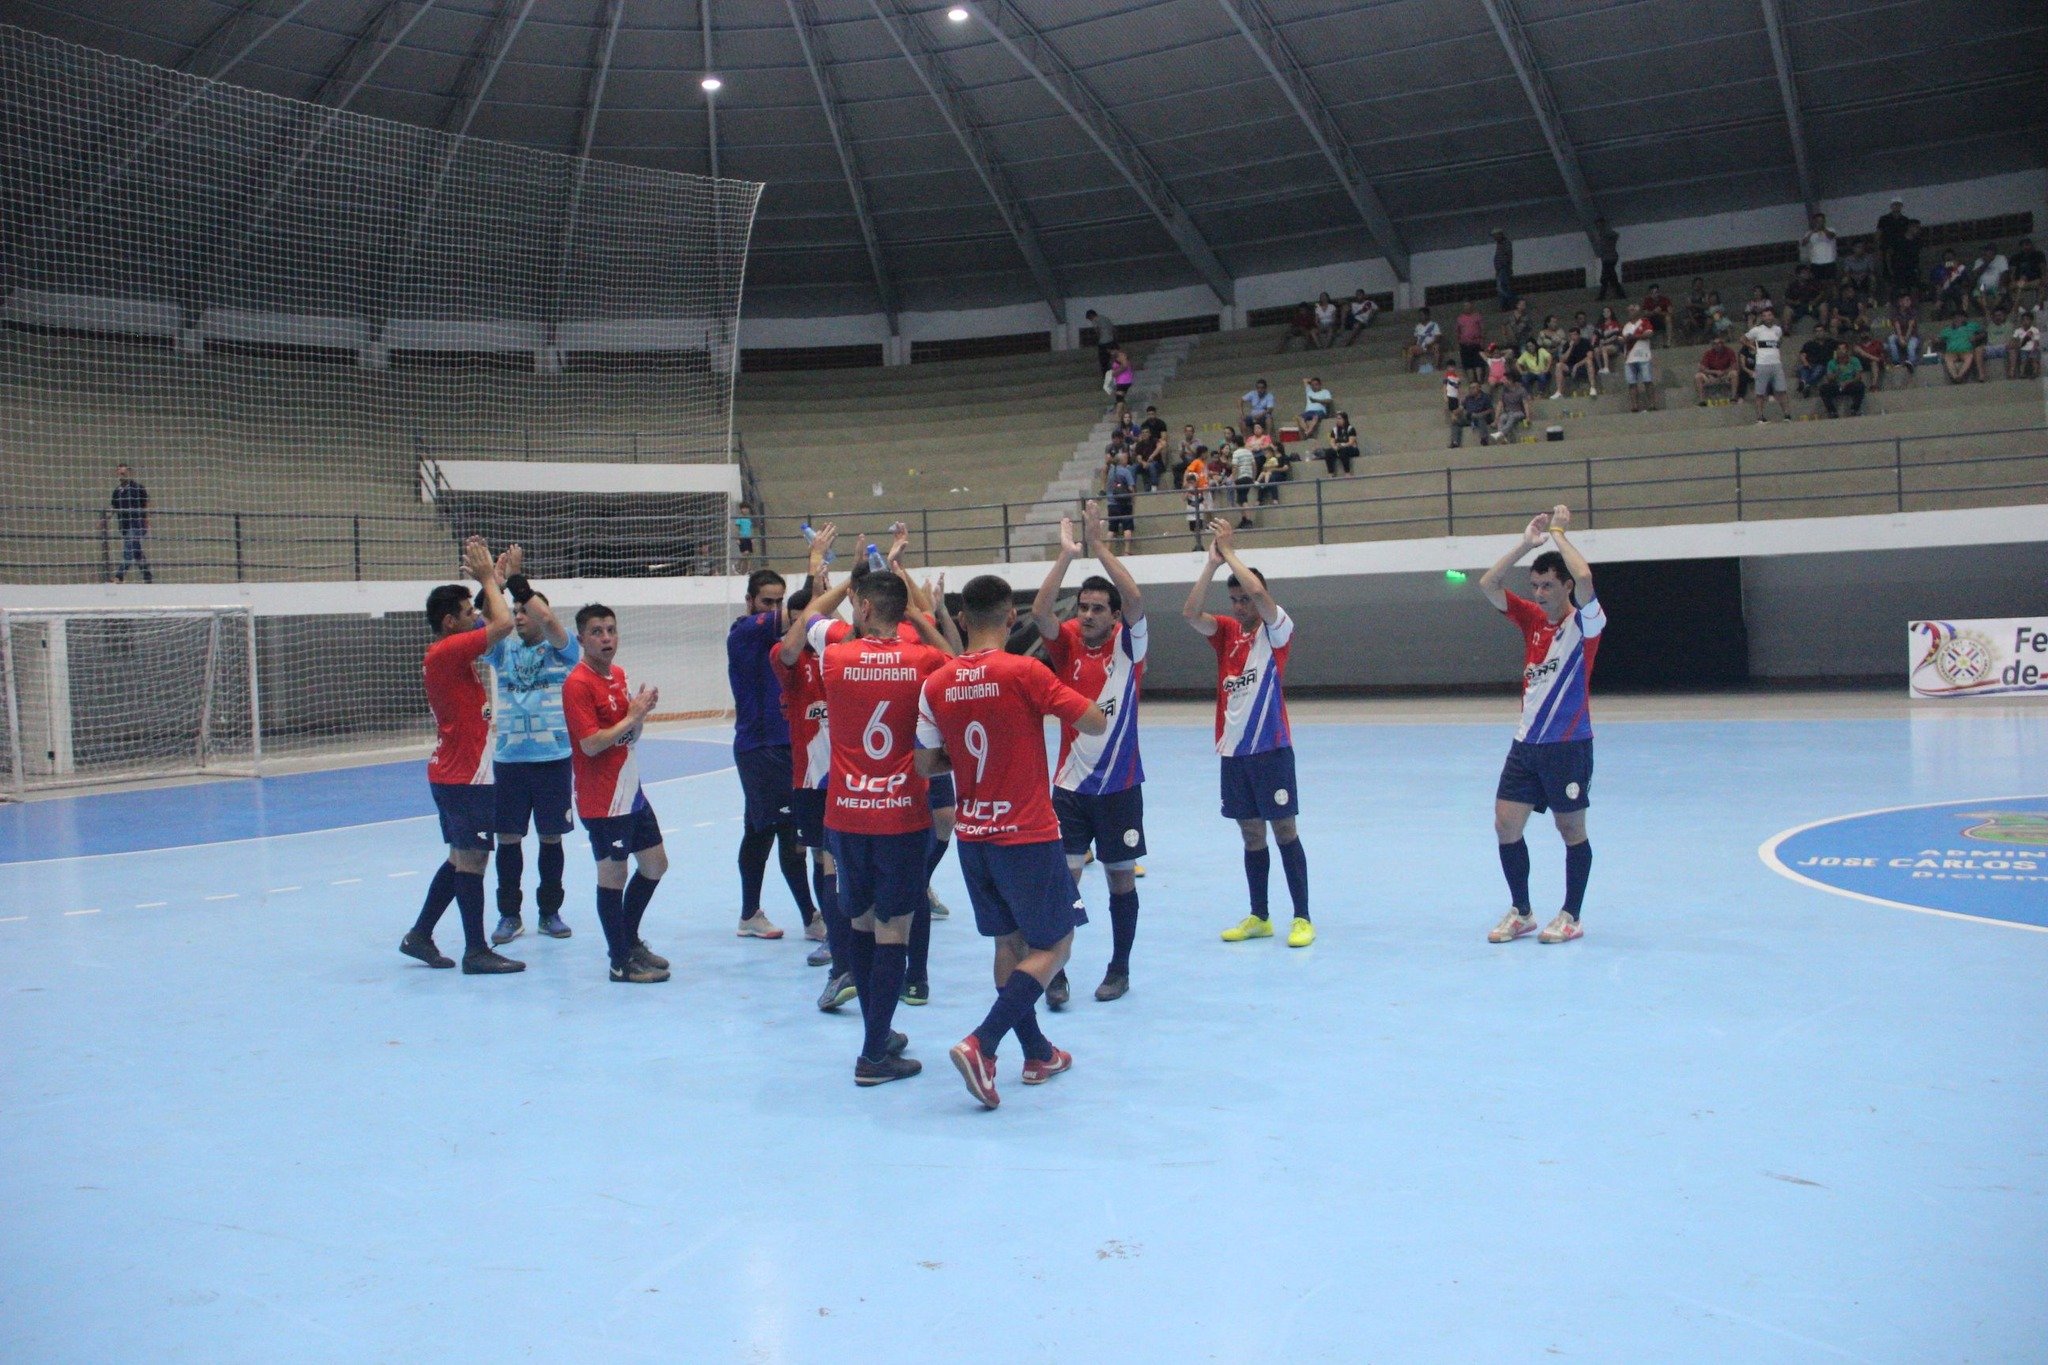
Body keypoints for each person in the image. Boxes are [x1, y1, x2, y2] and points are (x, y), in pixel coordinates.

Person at [917, 574, 1106, 1110]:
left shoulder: (938, 682)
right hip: (1026, 833)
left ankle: (1038, 1052)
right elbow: (1092, 723)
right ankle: (984, 1042)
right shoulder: (1025, 671)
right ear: (1010, 619)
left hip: (973, 836)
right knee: (1056, 944)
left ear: (959, 620)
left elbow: (925, 764)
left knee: (1009, 945)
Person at [801, 567, 953, 1085]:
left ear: (864, 609)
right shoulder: (923, 660)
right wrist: (918, 614)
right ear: (899, 611)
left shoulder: (836, 654)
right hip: (901, 815)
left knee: (863, 924)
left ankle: (877, 1034)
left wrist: (844, 584)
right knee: (895, 930)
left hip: (846, 814)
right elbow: (954, 662)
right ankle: (873, 1054)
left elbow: (810, 618)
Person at [1031, 506, 1148, 1002]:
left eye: (1100, 608)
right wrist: (1066, 556)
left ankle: (1118, 969)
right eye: (1083, 607)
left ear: (1115, 616)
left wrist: (1101, 547)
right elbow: (1040, 614)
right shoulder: (1068, 646)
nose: (1089, 615)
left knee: (1121, 881)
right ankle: (1056, 971)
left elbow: (1138, 599)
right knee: (1065, 881)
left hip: (1120, 788)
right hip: (1070, 789)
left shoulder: (1130, 646)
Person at [1182, 519, 1311, 948]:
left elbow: (1259, 592)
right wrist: (1211, 565)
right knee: (1251, 834)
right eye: (1234, 600)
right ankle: (1260, 915)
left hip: (1272, 750)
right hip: (1233, 754)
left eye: (1245, 599)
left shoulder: (1278, 632)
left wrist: (1231, 552)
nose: (1241, 606)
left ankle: (1302, 917)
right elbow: (1189, 613)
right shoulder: (1224, 634)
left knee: (1284, 831)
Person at [1478, 506, 1603, 945]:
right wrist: (1526, 544)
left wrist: (1557, 534)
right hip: (1525, 745)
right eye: (1535, 586)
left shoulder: (1585, 622)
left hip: (1568, 745)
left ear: (1565, 585)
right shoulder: (1531, 619)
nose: (1540, 592)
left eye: (1548, 585)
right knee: (1505, 825)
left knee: (1571, 830)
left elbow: (1586, 578)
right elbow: (1488, 584)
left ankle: (1571, 915)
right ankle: (1523, 911)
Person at [400, 536, 524, 975]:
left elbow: (491, 619)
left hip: (455, 773)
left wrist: (498, 581)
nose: (477, 617)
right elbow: (504, 625)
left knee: (459, 858)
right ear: (450, 622)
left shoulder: (449, 650)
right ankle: (476, 951)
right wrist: (490, 579)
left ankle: (420, 935)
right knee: (472, 860)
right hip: (462, 777)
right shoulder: (449, 651)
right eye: (468, 613)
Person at [771, 527, 859, 1011]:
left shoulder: (841, 653)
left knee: (848, 861)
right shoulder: (788, 660)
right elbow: (790, 644)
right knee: (826, 861)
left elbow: (849, 628)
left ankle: (855, 940)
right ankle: (837, 946)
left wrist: (832, 585)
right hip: (811, 780)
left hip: (850, 776)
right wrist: (819, 574)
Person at [562, 604, 671, 983]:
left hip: (632, 791)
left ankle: (628, 941)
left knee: (655, 864)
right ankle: (620, 961)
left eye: (610, 630)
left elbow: (628, 737)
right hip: (602, 799)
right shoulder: (577, 684)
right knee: (613, 876)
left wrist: (638, 716)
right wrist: (631, 716)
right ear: (581, 639)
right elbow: (591, 744)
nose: (606, 638)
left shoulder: (618, 675)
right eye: (596, 632)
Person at [481, 560, 580, 946]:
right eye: (515, 611)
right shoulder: (502, 650)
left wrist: (518, 586)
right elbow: (483, 622)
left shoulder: (563, 650)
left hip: (552, 759)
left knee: (551, 838)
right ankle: (509, 914)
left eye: (524, 610)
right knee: (508, 838)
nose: (518, 616)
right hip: (509, 761)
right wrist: (492, 584)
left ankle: (549, 911)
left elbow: (553, 626)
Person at [726, 567, 820, 943]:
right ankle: (812, 917)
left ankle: (749, 914)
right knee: (790, 834)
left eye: (780, 600)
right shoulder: (744, 633)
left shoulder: (790, 643)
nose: (776, 608)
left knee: (759, 831)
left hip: (786, 746)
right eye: (768, 601)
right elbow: (802, 609)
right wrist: (814, 573)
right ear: (750, 602)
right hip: (761, 748)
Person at [1746, 306, 1793, 422]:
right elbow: (1743, 339)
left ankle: (1787, 415)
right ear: (1762, 317)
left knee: (1782, 391)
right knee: (1760, 392)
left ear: (1773, 316)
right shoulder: (1757, 330)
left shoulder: (1778, 329)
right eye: (1765, 316)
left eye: (1769, 315)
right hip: (1762, 364)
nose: (1767, 318)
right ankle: (1760, 417)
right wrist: (1752, 347)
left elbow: (1779, 340)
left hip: (1776, 364)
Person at [108, 465, 152, 584]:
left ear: (129, 473)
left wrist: (146, 522)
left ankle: (119, 576)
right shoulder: (117, 491)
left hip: (137, 523)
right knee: (136, 552)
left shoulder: (138, 488)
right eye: (119, 474)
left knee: (128, 549)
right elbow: (114, 507)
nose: (121, 476)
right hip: (124, 525)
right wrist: (105, 519)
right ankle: (148, 576)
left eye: (124, 473)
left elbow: (145, 505)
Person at [1620, 304, 1656, 412]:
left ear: (1637, 311)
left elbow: (1649, 334)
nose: (1630, 312)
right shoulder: (1625, 326)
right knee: (1631, 383)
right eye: (1629, 311)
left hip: (1643, 356)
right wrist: (1626, 339)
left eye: (1632, 310)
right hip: (1629, 358)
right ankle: (1634, 406)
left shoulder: (1644, 322)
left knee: (1647, 381)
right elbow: (1620, 340)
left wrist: (1635, 337)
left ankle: (1652, 404)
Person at [1818, 341, 1867, 417]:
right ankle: (1832, 411)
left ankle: (1854, 409)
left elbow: (1858, 377)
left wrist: (1847, 382)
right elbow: (1829, 378)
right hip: (1837, 385)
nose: (1841, 351)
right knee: (1823, 388)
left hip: (1850, 384)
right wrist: (1838, 371)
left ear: (1847, 351)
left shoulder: (1854, 360)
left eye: (1843, 349)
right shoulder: (1831, 362)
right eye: (1839, 349)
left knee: (1860, 386)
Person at [1103, 450, 1138, 551]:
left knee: (1111, 529)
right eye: (1125, 459)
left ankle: (1107, 550)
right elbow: (1131, 488)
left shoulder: (1110, 472)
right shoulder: (1126, 471)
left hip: (1112, 504)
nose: (1127, 460)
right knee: (1127, 528)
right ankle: (1127, 551)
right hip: (1125, 503)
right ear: (1121, 461)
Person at [1694, 335, 1739, 404]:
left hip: (1725, 375)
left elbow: (1734, 366)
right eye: (1715, 344)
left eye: (1720, 343)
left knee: (1734, 373)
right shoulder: (1708, 353)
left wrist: (1723, 372)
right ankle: (1701, 400)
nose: (1718, 345)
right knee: (1698, 376)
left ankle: (1733, 397)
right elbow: (1702, 368)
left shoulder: (1729, 351)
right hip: (1711, 376)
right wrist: (1713, 372)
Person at [1938, 311, 1982, 383]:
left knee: (1970, 356)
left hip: (1966, 351)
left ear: (1964, 318)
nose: (1956, 319)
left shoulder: (1972, 326)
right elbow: (1938, 339)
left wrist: (1976, 337)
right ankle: (1955, 376)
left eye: (1959, 317)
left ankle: (1960, 375)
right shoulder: (1948, 330)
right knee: (1947, 357)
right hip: (1951, 352)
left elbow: (1984, 333)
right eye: (1954, 318)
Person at [1796, 323, 1836, 399]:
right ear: (1814, 333)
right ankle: (1804, 382)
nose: (1819, 333)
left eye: (1821, 331)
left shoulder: (1831, 342)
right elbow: (1802, 354)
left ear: (1824, 332)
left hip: (1823, 364)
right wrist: (1805, 362)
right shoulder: (1809, 344)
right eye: (1817, 331)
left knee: (1818, 370)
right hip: (1810, 363)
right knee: (1803, 369)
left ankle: (1806, 384)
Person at [1450, 381, 1494, 449]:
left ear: (1479, 388)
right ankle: (1455, 442)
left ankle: (1484, 439)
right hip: (1470, 418)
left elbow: (1490, 410)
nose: (1471, 390)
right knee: (1456, 422)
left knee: (1480, 418)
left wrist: (1479, 414)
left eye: (1473, 388)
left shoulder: (1486, 397)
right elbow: (1461, 408)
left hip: (1481, 418)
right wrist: (1454, 414)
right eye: (1470, 388)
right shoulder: (1468, 398)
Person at [1886, 293, 1921, 378]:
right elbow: (1896, 325)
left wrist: (1906, 338)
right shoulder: (1895, 313)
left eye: (1909, 300)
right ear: (1900, 302)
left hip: (1912, 336)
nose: (1909, 302)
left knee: (1911, 345)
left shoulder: (1913, 312)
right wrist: (1901, 337)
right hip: (1900, 335)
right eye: (1907, 300)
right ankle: (1896, 362)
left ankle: (1911, 362)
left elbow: (1911, 326)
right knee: (1891, 338)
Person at [1800, 211, 1839, 284]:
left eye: (1822, 221)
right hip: (1816, 262)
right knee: (1819, 283)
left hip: (1829, 261)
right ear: (1814, 222)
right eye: (1818, 221)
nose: (1820, 223)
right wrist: (1812, 232)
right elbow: (1803, 243)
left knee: (1832, 282)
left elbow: (1831, 236)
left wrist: (1823, 229)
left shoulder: (1831, 230)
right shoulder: (1809, 233)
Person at [1593, 217, 1624, 300]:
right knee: (1611, 277)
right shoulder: (1602, 234)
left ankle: (1602, 296)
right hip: (1607, 257)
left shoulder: (1606, 233)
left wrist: (1609, 246)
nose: (1598, 226)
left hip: (1609, 257)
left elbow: (1615, 235)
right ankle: (1620, 294)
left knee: (1605, 278)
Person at [1493, 379, 1530, 444]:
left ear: (1510, 380)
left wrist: (1528, 417)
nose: (1503, 381)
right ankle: (1503, 439)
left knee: (1512, 417)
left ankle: (1501, 433)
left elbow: (1525, 404)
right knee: (1502, 418)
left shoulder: (1521, 390)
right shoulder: (1504, 392)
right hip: (1507, 412)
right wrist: (1496, 419)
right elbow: (1499, 405)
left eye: (1505, 379)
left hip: (1519, 412)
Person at [2008, 309, 2040, 379]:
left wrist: (2034, 348)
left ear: (2031, 321)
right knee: (2023, 361)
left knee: (2034, 361)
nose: (2025, 322)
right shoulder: (2018, 330)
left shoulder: (2035, 330)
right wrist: (2013, 345)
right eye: (2023, 320)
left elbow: (2036, 341)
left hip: (2033, 348)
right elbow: (2013, 339)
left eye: (2027, 319)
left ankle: (2035, 372)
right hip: (2023, 349)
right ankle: (2022, 373)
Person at [1491, 227, 1517, 310]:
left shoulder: (1506, 243)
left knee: (1503, 288)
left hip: (1503, 268)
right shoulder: (1500, 244)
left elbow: (1507, 256)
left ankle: (1513, 303)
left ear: (1500, 235)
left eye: (1495, 235)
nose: (1494, 237)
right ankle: (1505, 306)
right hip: (1500, 269)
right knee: (1501, 289)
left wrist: (1504, 266)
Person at [1085, 308, 1116, 373]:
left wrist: (1098, 340)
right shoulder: (1105, 318)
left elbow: (1097, 331)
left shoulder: (1095, 320)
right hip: (1111, 341)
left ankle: (1106, 374)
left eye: (1090, 318)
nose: (1090, 320)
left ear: (1091, 315)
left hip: (1103, 342)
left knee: (1103, 361)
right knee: (1109, 359)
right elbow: (1113, 329)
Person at [733, 502, 755, 572]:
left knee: (749, 554)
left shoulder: (749, 518)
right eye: (744, 508)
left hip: (748, 537)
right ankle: (737, 564)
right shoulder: (739, 518)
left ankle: (749, 569)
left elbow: (750, 529)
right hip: (742, 537)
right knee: (746, 552)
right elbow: (737, 528)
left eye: (747, 509)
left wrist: (752, 538)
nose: (745, 510)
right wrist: (737, 538)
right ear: (741, 509)